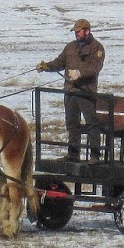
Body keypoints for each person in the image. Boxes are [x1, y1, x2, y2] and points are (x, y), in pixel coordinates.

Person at [37, 18, 106, 159]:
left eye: (78, 31)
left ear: (87, 31)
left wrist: (80, 74)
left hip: (86, 92)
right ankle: (73, 153)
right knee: (72, 124)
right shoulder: (70, 47)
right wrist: (47, 66)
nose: (76, 34)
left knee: (91, 124)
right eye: (75, 31)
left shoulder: (97, 48)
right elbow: (60, 62)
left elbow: (95, 68)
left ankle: (95, 154)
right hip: (70, 91)